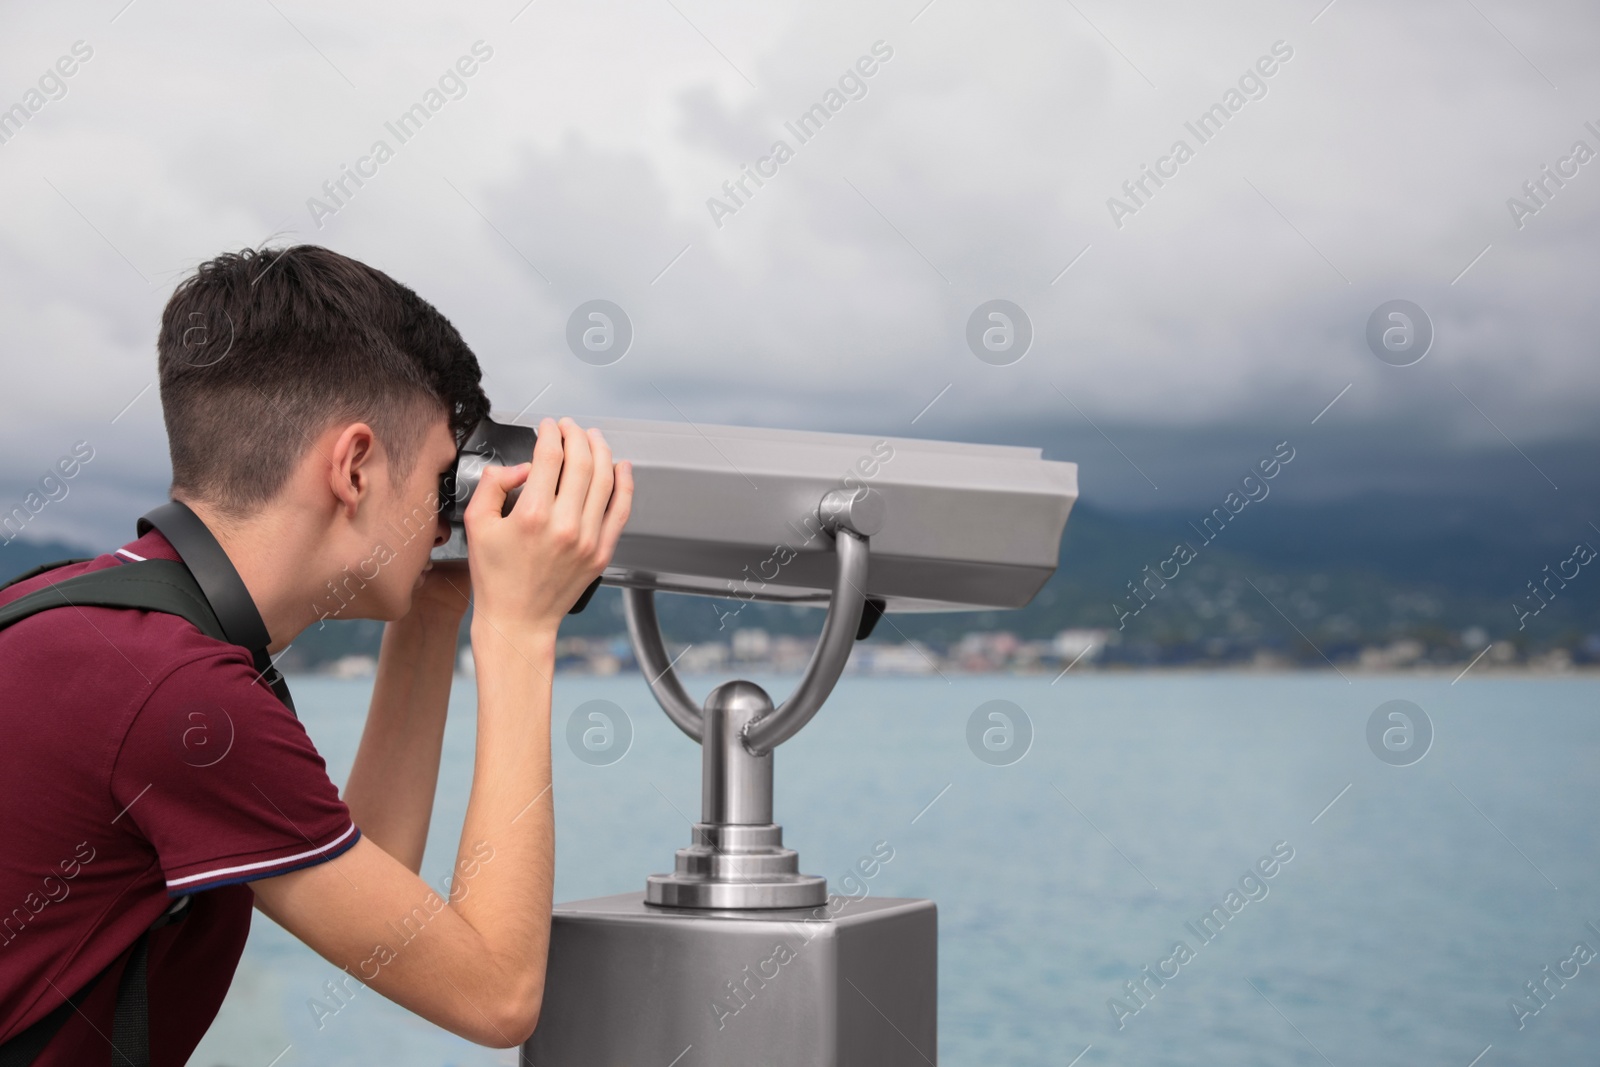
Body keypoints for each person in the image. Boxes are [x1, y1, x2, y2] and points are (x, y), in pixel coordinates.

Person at [0, 245, 633, 1064]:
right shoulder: (183, 697)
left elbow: (379, 886)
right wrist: (520, 629)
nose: (447, 520)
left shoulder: (87, 616)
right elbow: (496, 994)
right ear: (355, 466)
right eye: (444, 479)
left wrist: (435, 609)